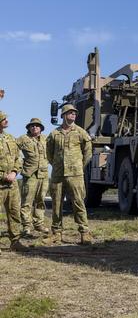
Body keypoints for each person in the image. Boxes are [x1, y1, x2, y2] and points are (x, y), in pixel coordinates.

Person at [46, 103, 93, 244]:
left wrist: (79, 166)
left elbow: (88, 152)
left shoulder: (80, 132)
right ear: (63, 115)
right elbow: (49, 153)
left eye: (74, 113)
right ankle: (56, 233)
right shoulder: (54, 134)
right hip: (58, 175)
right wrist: (56, 165)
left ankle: (84, 233)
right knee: (56, 204)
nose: (73, 115)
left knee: (78, 203)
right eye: (70, 112)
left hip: (75, 174)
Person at [0, 111, 30, 252]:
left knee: (14, 212)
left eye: (6, 118)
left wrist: (14, 172)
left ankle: (15, 242)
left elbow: (18, 158)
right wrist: (2, 176)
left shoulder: (10, 138)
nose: (6, 121)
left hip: (12, 184)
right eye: (3, 119)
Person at [16, 118, 50, 237]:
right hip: (30, 175)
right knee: (27, 201)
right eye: (32, 126)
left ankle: (39, 224)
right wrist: (19, 162)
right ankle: (26, 226)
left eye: (37, 125)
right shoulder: (23, 139)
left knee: (40, 200)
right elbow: (13, 149)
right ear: (29, 128)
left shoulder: (47, 139)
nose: (34, 127)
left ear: (41, 128)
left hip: (43, 174)